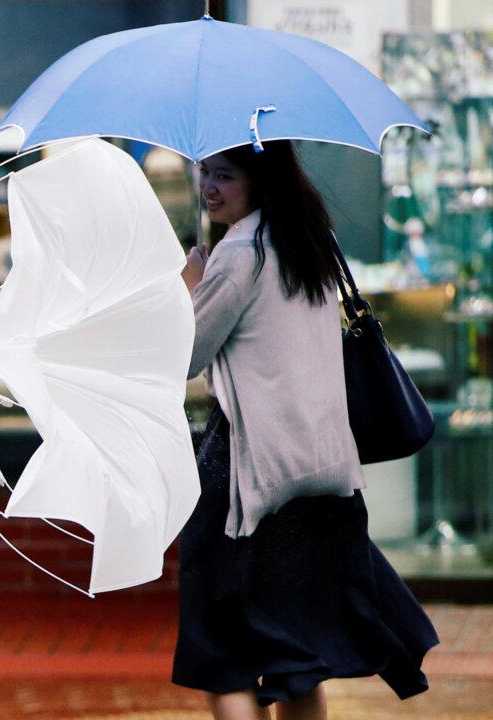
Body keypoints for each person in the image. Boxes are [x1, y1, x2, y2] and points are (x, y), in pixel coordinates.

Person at [171, 141, 438, 720]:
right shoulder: (312, 240)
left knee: (221, 654)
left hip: (247, 471)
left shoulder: (239, 253)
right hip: (321, 472)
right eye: (204, 173)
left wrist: (192, 284)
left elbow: (186, 355)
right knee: (297, 661)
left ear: (259, 180)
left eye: (224, 175)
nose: (209, 187)